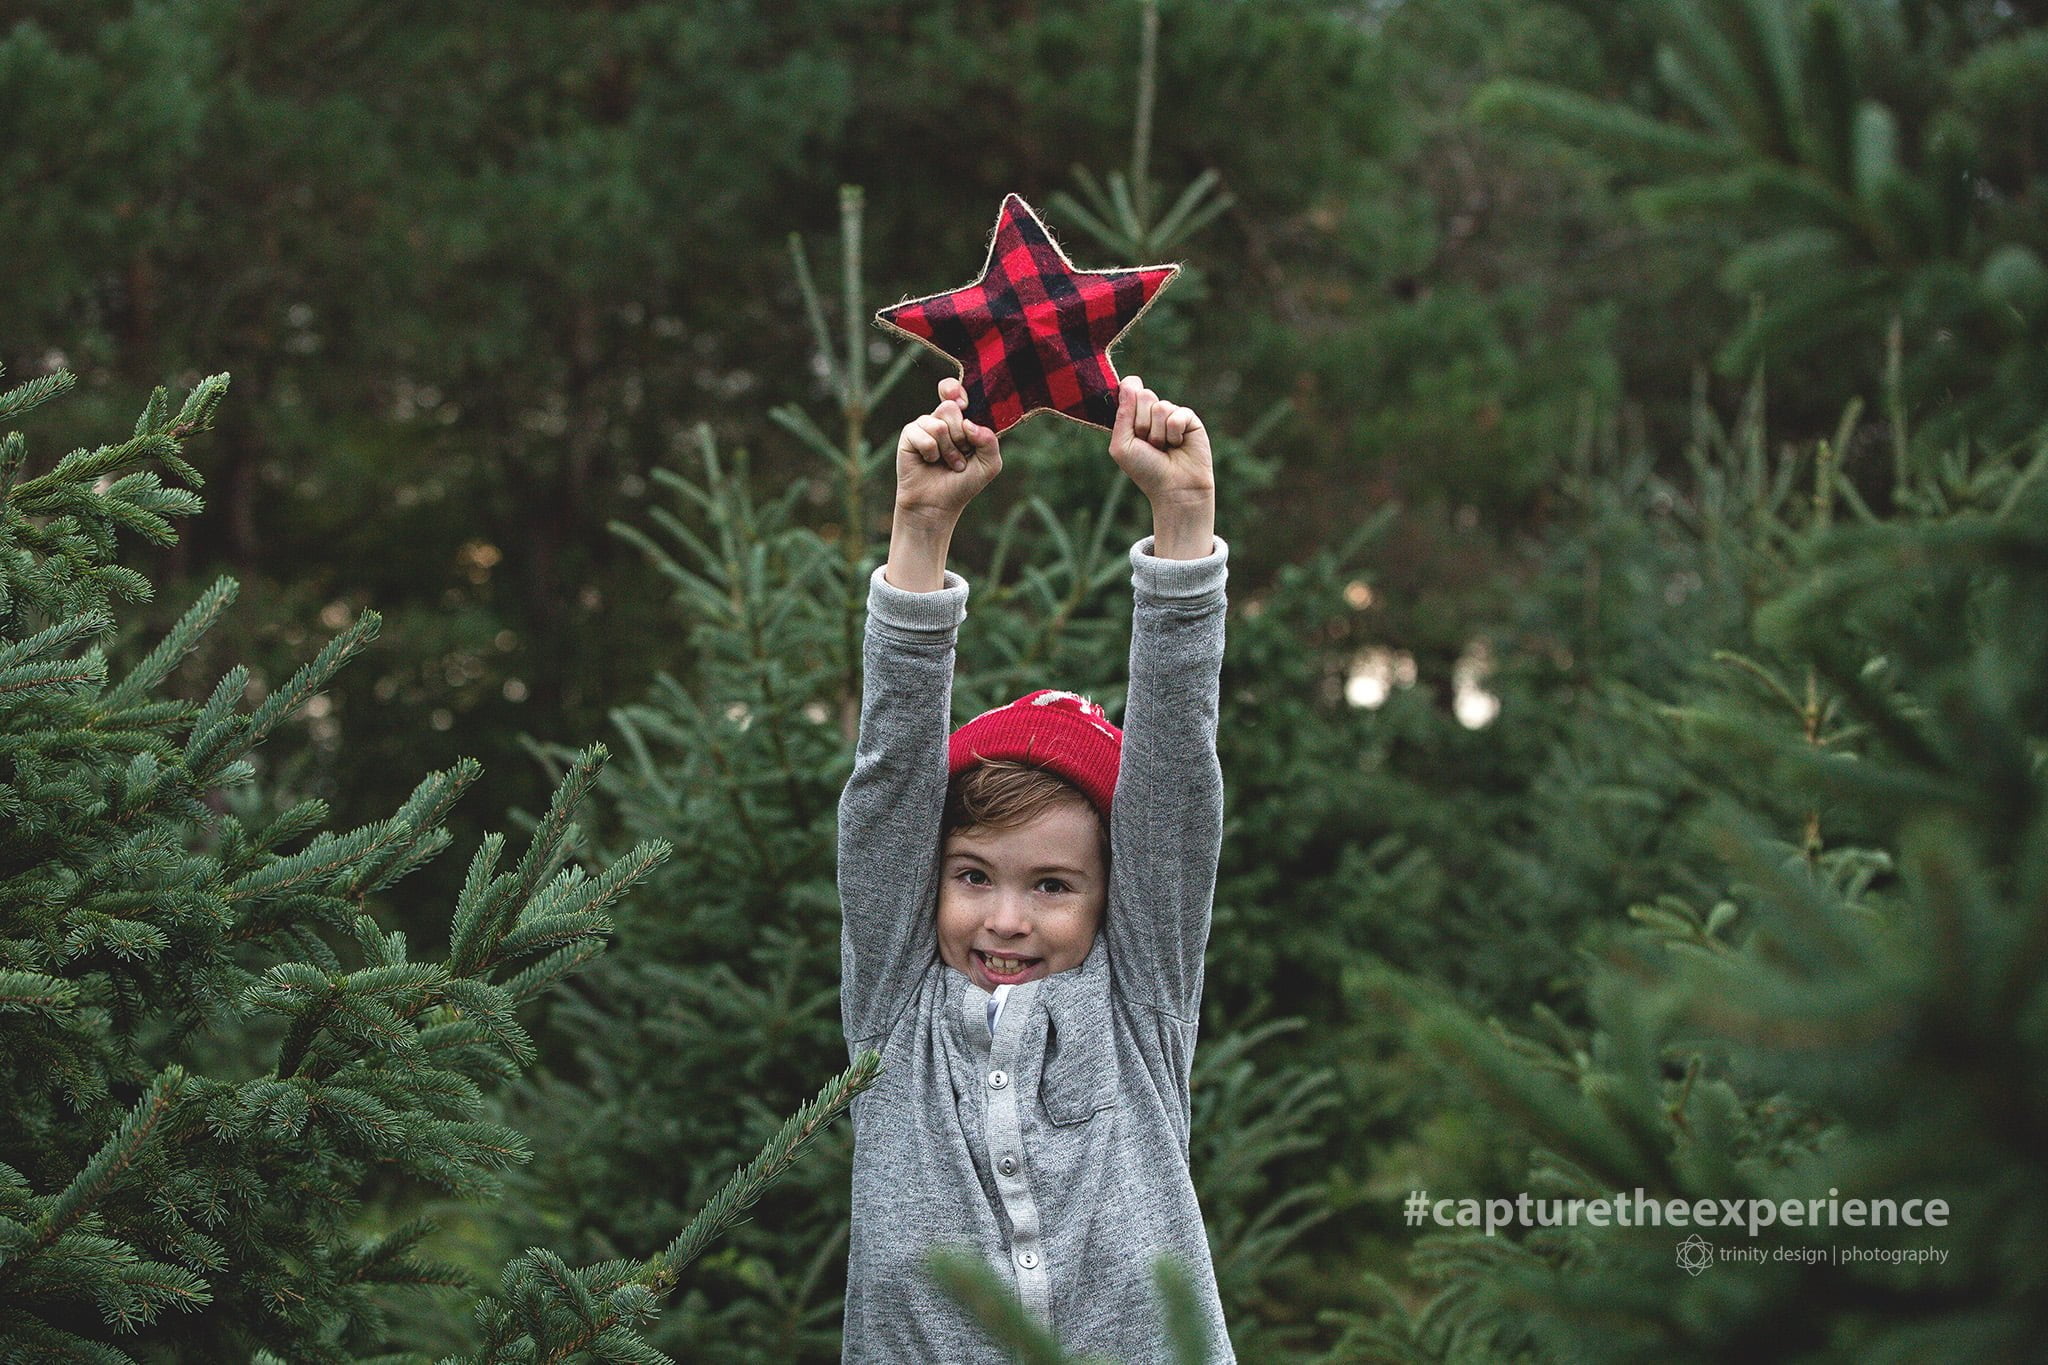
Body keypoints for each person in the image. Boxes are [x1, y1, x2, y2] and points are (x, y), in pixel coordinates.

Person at [838, 371, 1234, 1361]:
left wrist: (1182, 521)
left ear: (1111, 896)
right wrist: (919, 532)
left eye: (1051, 886)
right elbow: (890, 780)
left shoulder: (1137, 1005)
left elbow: (1174, 780)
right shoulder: (894, 1007)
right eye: (972, 876)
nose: (1004, 920)